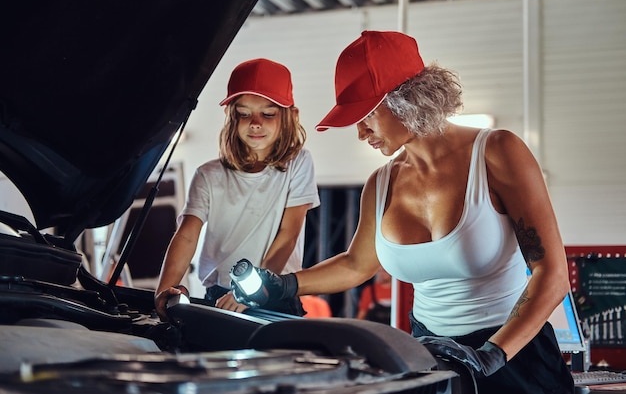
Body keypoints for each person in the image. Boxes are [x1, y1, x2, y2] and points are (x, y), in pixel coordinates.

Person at [232, 31, 574, 393]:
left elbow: (551, 275)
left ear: (407, 100)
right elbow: (356, 265)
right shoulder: (381, 183)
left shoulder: (496, 152)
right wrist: (284, 285)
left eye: (366, 116)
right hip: (432, 359)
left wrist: (492, 354)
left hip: (513, 356)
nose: (361, 133)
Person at [154, 58, 320, 320]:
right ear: (231, 115)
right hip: (219, 294)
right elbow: (187, 235)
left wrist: (253, 290)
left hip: (273, 293)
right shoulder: (208, 174)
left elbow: (288, 234)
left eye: (268, 114)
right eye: (244, 113)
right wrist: (164, 289)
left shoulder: (298, 163)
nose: (255, 123)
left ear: (291, 115)